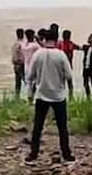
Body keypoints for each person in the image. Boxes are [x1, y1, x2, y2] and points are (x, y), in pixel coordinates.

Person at [26, 29, 75, 163]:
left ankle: (33, 153)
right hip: (58, 96)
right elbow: (69, 75)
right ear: (56, 39)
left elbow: (30, 76)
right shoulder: (61, 55)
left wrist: (30, 93)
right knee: (62, 127)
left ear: (44, 39)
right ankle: (66, 153)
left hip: (41, 94)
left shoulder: (38, 54)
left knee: (38, 126)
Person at [21, 29, 42, 101]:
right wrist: (38, 40)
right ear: (32, 35)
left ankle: (29, 98)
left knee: (29, 83)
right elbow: (44, 48)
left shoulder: (23, 45)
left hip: (26, 66)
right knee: (36, 83)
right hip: (34, 67)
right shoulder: (35, 46)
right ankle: (33, 97)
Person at [57, 30, 77, 97]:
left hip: (66, 65)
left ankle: (69, 96)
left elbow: (78, 47)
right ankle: (68, 96)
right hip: (62, 66)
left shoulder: (69, 44)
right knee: (66, 82)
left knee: (68, 82)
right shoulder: (61, 44)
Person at [81, 34, 92, 98]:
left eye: (90, 38)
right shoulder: (86, 47)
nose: (88, 38)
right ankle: (88, 97)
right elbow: (78, 47)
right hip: (86, 68)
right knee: (85, 83)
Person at [11, 28, 25, 99]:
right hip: (21, 64)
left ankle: (17, 97)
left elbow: (13, 55)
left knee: (18, 82)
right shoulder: (22, 44)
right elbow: (23, 55)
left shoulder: (14, 44)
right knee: (26, 81)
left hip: (16, 64)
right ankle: (29, 97)